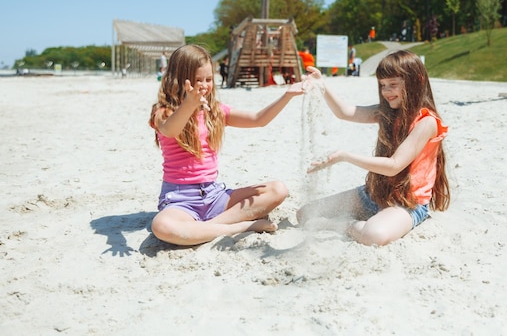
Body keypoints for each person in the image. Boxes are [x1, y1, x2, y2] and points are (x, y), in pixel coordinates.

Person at [149, 44, 305, 246]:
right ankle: (238, 227)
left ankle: (209, 228)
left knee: (278, 190)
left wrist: (287, 95)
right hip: (180, 200)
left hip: (215, 196)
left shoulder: (215, 111)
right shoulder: (164, 112)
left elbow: (258, 119)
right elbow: (170, 130)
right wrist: (189, 104)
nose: (204, 85)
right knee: (161, 227)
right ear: (179, 79)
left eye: (208, 79)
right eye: (198, 80)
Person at [297, 50, 450, 246]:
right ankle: (358, 221)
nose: (386, 91)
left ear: (416, 80)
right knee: (305, 213)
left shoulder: (427, 122)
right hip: (375, 194)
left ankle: (345, 225)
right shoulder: (387, 112)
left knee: (373, 235)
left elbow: (395, 165)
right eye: (383, 85)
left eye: (393, 85)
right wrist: (321, 84)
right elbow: (345, 112)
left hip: (408, 204)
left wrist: (345, 156)